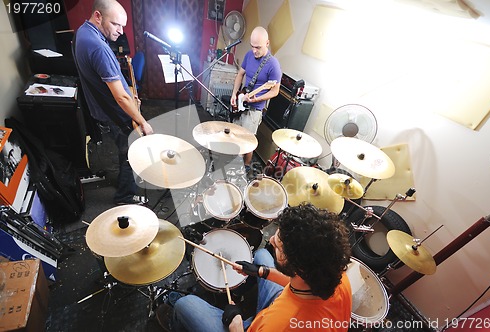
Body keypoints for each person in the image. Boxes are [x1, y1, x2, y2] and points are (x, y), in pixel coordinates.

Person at [156, 203, 352, 331]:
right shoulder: (338, 277)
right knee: (262, 255)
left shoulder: (277, 324)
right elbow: (298, 283)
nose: (273, 239)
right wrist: (261, 271)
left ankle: (175, 323)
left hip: (262, 324)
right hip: (288, 309)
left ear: (298, 265)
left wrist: (236, 324)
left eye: (280, 242)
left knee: (185, 304)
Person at [73, 0, 153, 205]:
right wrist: (142, 120)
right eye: (116, 24)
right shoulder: (98, 46)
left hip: (104, 110)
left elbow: (109, 78)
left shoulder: (82, 32)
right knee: (132, 151)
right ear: (98, 16)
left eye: (123, 26)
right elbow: (119, 97)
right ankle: (125, 198)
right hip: (114, 113)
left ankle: (123, 186)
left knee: (123, 148)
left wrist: (129, 92)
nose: (121, 31)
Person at [230, 26, 282, 176]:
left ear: (267, 43)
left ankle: (245, 166)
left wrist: (257, 98)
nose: (254, 51)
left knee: (247, 141)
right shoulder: (248, 55)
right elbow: (240, 74)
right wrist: (234, 94)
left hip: (255, 109)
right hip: (242, 101)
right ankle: (234, 163)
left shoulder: (273, 64)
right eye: (252, 46)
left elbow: (275, 90)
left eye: (258, 47)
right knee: (234, 136)